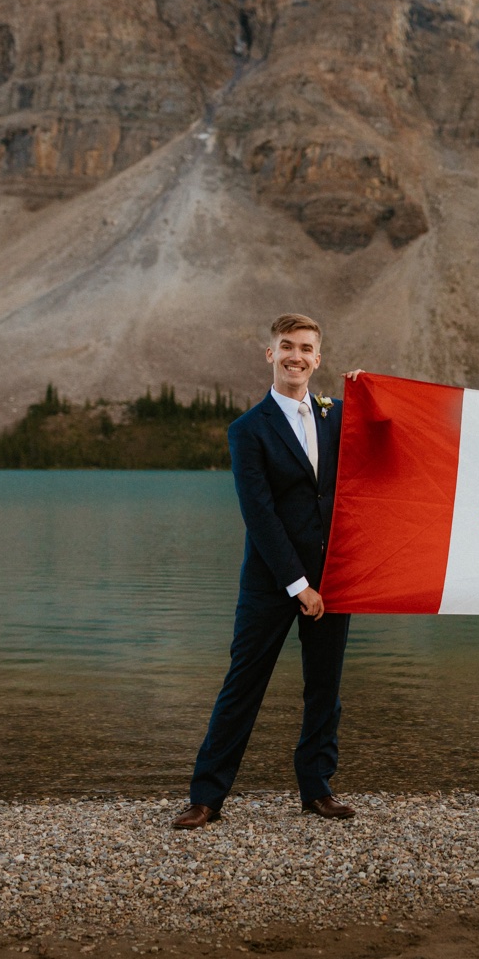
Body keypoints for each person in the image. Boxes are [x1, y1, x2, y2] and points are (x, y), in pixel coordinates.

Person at [173, 314, 355, 829]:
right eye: (286, 347)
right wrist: (299, 585)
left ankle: (316, 789)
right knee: (243, 684)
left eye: (306, 348)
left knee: (325, 687)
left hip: (334, 578)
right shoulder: (247, 430)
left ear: (318, 359)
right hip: (272, 582)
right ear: (270, 354)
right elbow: (260, 513)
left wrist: (370, 393)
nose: (296, 356)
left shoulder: (338, 416)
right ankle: (207, 796)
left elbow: (389, 440)